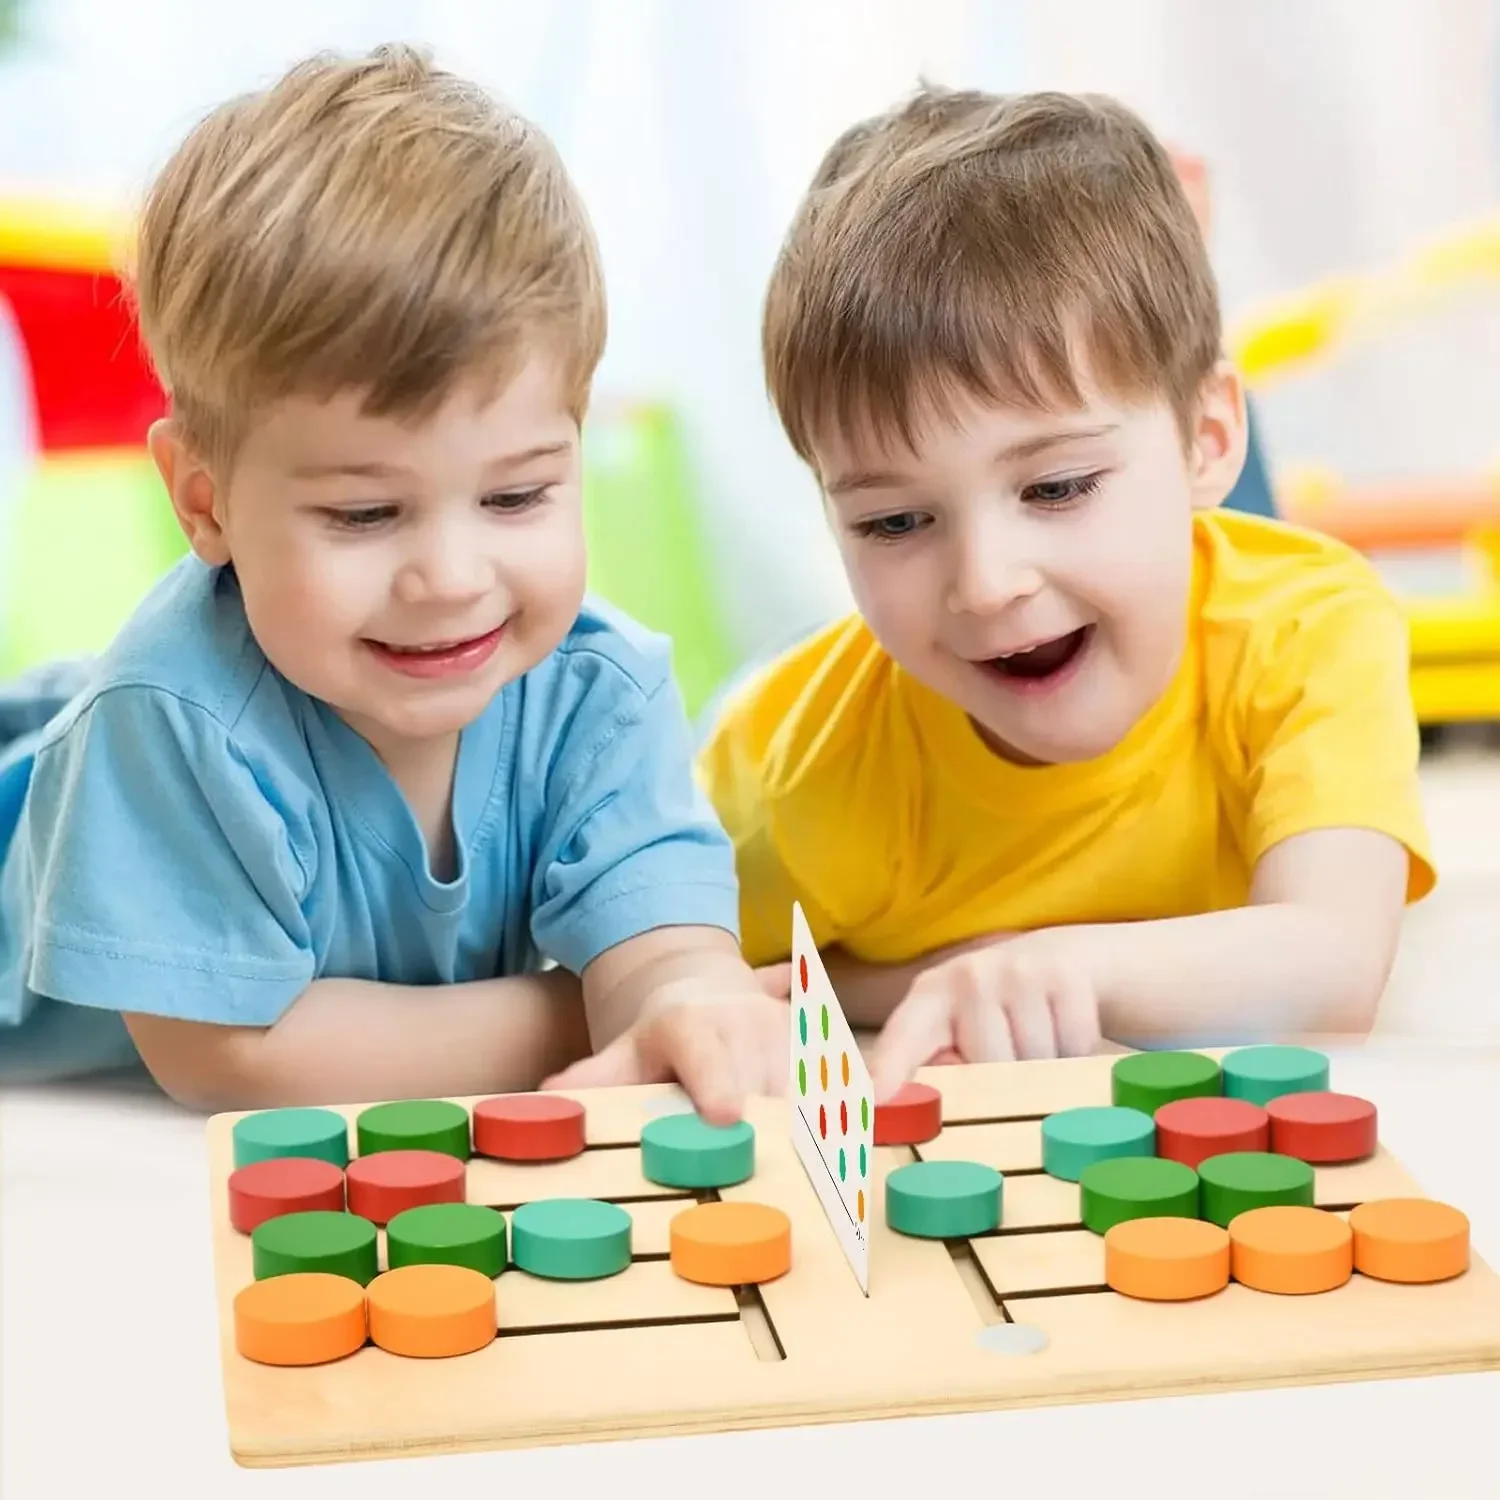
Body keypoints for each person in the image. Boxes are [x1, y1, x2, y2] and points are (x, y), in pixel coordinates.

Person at [0, 45, 786, 1120]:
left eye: (517, 498)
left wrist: (677, 996)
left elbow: (667, 948)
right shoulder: (172, 719)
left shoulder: (600, 695)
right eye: (366, 515)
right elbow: (231, 1060)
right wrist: (579, 1010)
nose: (451, 580)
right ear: (205, 500)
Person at [696, 85, 1434, 1100]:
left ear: (1213, 435)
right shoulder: (801, 781)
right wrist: (927, 985)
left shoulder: (1315, 625)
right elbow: (706, 985)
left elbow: (1335, 971)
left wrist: (1048, 970)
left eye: (1055, 488)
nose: (988, 586)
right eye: (893, 522)